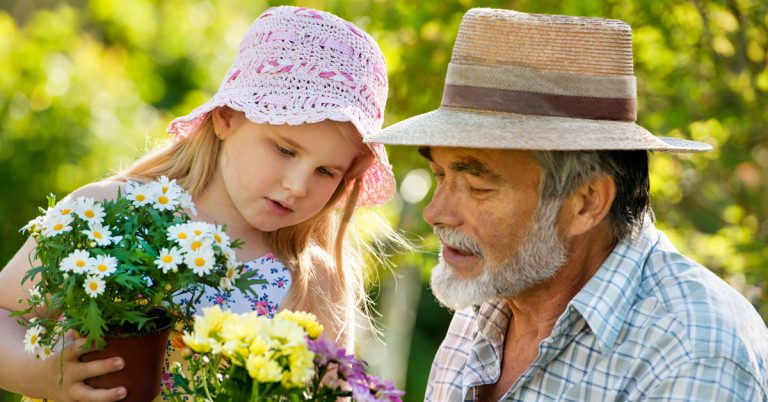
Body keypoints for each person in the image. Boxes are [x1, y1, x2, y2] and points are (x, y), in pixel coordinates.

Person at [368, 8, 768, 402]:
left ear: (585, 203)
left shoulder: (693, 352)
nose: (435, 213)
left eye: (477, 187)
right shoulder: (489, 301)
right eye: (440, 175)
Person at [0, 6, 398, 402]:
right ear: (226, 117)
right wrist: (40, 375)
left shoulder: (314, 283)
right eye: (284, 149)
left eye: (326, 172)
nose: (297, 186)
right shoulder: (108, 212)